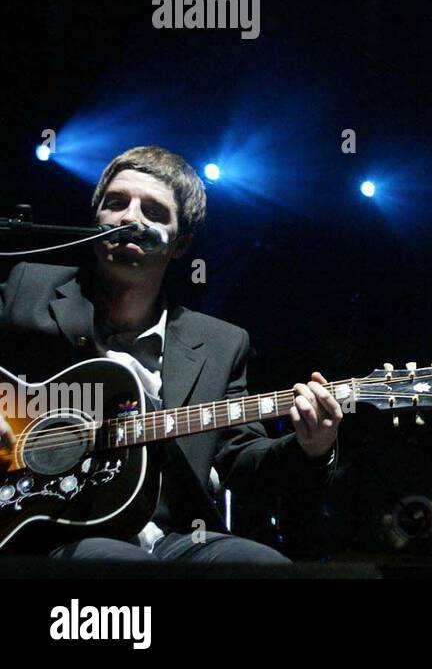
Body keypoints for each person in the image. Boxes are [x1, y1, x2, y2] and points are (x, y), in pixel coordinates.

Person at [0, 146, 342, 563]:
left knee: (265, 566)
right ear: (96, 220)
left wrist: (312, 445)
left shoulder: (220, 342)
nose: (130, 219)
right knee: (117, 563)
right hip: (49, 526)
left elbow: (240, 459)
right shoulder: (29, 287)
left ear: (180, 245)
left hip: (176, 535)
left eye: (154, 212)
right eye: (116, 203)